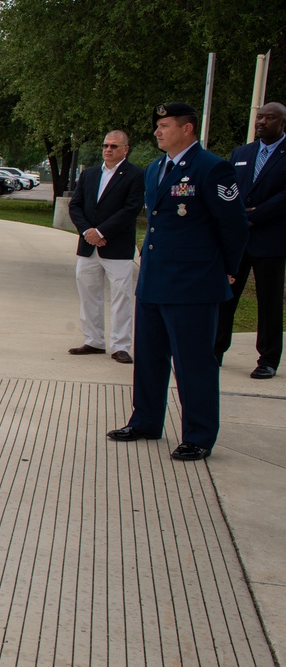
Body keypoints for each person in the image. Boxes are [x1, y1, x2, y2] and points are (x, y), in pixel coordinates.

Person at [107, 103, 248, 461]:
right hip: (155, 279)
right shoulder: (155, 169)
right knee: (150, 358)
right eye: (157, 125)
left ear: (187, 129)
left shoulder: (212, 168)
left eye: (165, 125)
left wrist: (227, 270)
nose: (158, 131)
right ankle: (146, 420)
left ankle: (198, 435)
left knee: (193, 363)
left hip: (193, 283)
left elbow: (233, 226)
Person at [215, 102, 286, 379]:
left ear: (282, 123)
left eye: (269, 118)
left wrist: (258, 215)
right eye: (259, 117)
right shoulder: (241, 153)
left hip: (271, 239)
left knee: (269, 302)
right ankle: (215, 349)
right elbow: (228, 187)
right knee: (225, 295)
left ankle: (268, 359)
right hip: (238, 239)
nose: (261, 122)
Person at [68, 130, 145, 364]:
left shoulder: (135, 175)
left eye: (113, 146)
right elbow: (75, 206)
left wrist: (101, 232)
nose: (108, 149)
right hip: (88, 247)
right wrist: (87, 232)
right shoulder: (90, 174)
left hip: (117, 247)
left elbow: (131, 209)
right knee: (89, 294)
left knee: (121, 296)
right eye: (105, 145)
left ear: (125, 149)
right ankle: (94, 341)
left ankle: (121, 346)